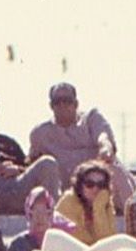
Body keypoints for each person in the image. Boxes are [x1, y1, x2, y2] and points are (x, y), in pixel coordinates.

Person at [28, 82, 129, 210]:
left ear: (76, 104)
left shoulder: (91, 119)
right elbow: (31, 164)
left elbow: (103, 136)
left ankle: (133, 214)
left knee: (113, 167)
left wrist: (105, 147)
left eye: (67, 101)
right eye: (57, 101)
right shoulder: (40, 134)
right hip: (70, 196)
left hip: (102, 188)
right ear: (51, 106)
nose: (62, 105)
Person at [56, 159, 119, 246]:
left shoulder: (105, 203)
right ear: (80, 185)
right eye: (90, 184)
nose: (95, 189)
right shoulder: (68, 201)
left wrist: (98, 208)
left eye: (101, 185)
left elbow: (108, 240)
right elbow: (78, 239)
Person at [4, 186, 64, 251]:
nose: (39, 217)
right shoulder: (16, 246)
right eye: (34, 212)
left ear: (51, 215)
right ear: (28, 215)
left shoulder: (60, 242)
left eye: (45, 212)